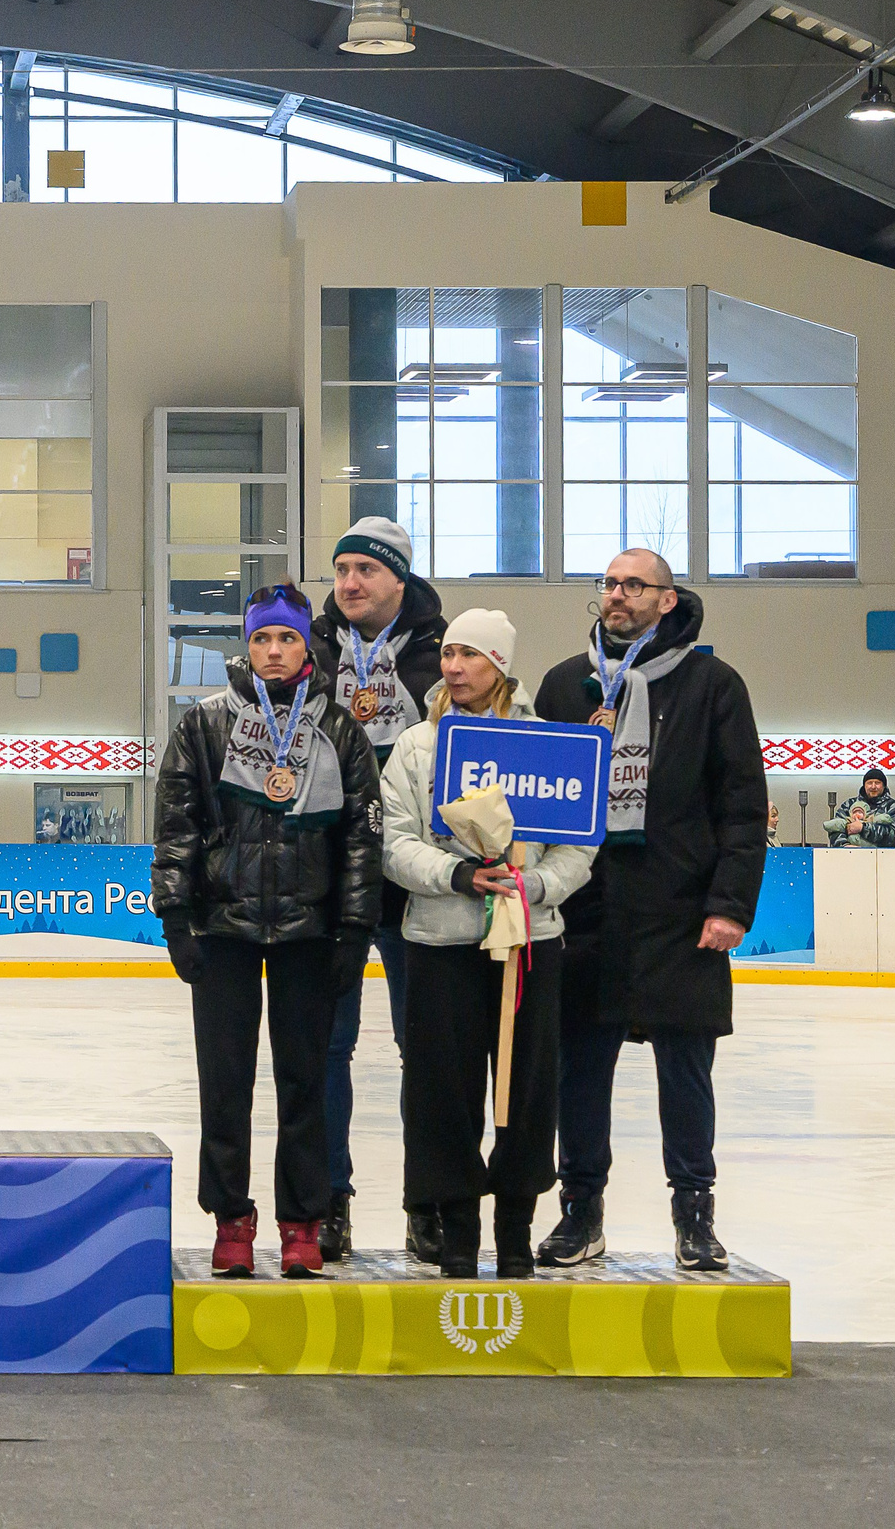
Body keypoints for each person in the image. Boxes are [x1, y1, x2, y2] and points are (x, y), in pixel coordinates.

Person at [533, 549, 766, 1273]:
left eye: (634, 584)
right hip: (587, 911)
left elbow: (742, 806)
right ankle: (581, 1211)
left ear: (669, 600)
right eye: (608, 583)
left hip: (680, 910)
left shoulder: (712, 684)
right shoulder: (565, 685)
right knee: (579, 1072)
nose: (617, 595)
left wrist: (728, 903)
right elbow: (536, 800)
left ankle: (694, 1212)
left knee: (687, 1073)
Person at [153, 583, 383, 1280]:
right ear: (245, 646)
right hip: (223, 927)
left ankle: (301, 1220)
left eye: (286, 638)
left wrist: (352, 930)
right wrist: (174, 917)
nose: (274, 651)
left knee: (305, 1082)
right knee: (223, 1082)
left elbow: (362, 841)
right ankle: (231, 1217)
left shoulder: (338, 729)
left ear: (306, 645)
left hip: (310, 933)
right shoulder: (205, 723)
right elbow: (175, 826)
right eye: (261, 639)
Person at [379, 610, 594, 1280]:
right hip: (439, 944)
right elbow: (394, 840)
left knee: (526, 1090)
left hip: (529, 944)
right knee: (441, 1091)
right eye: (447, 653)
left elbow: (579, 842)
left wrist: (532, 886)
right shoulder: (417, 747)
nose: (453, 666)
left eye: (469, 654)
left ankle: (513, 1230)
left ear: (499, 663)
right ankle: (457, 1229)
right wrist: (457, 874)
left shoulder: (543, 743)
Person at [307, 514, 447, 1263]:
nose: (350, 583)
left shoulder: (444, 651)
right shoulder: (310, 649)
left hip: (415, 880)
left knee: (422, 1047)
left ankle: (425, 1202)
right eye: (342, 570)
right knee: (326, 1047)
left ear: (399, 578)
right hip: (331, 878)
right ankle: (330, 1202)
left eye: (366, 569)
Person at [825, 770, 895, 849]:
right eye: (869, 783)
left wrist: (863, 828)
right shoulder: (849, 805)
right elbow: (834, 829)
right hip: (849, 856)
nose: (873, 786)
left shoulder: (893, 807)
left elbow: (892, 836)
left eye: (877, 783)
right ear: (864, 785)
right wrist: (845, 845)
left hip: (884, 857)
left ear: (884, 786)